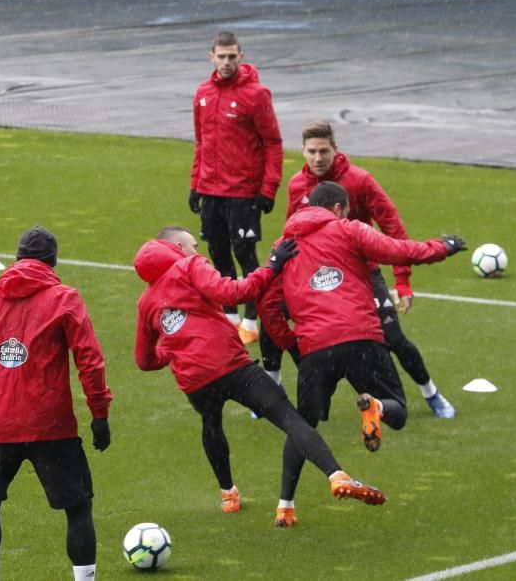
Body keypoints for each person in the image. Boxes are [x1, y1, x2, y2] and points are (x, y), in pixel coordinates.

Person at [133, 225, 385, 525]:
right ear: (175, 248)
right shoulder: (189, 267)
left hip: (195, 382)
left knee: (211, 423)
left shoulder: (145, 302)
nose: (198, 251)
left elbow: (144, 360)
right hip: (232, 365)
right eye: (192, 245)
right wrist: (273, 266)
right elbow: (235, 292)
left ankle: (228, 495)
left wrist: (172, 352)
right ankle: (336, 475)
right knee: (290, 419)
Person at [258, 181, 466, 527]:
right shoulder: (349, 230)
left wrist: (291, 343)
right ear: (339, 209)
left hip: (314, 349)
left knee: (301, 427)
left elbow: (266, 304)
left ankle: (285, 506)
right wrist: (442, 247)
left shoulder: (284, 245)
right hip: (362, 339)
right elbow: (400, 250)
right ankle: (377, 407)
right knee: (397, 411)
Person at [0, 226, 113, 581]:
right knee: (77, 507)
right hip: (51, 424)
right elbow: (90, 360)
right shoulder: (64, 299)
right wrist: (99, 415)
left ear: (16, 259)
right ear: (53, 262)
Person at [286, 120, 456, 418]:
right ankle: (274, 399)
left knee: (394, 338)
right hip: (317, 278)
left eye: (323, 151)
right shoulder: (296, 186)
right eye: (311, 152)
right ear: (302, 151)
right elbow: (293, 233)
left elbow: (392, 227)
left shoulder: (360, 181)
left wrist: (402, 281)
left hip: (362, 274)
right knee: (283, 330)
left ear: (336, 150)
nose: (317, 158)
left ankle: (431, 393)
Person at [189, 31, 283, 347]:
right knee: (217, 252)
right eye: (222, 56)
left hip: (243, 192)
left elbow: (273, 143)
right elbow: (201, 143)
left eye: (232, 56)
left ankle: (252, 318)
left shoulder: (256, 95)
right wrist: (195, 184)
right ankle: (229, 316)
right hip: (211, 190)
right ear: (211, 57)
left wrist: (268, 189)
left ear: (241, 57)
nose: (227, 62)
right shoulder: (202, 93)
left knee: (245, 254)